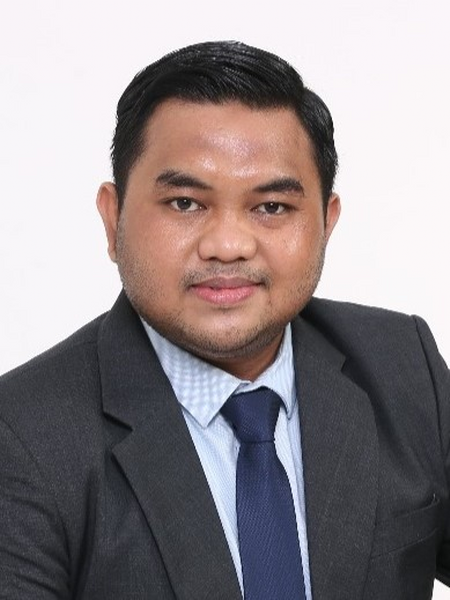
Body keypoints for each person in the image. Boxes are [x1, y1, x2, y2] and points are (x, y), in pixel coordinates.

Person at [0, 40, 448, 600]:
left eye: (272, 207)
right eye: (185, 203)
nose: (229, 244)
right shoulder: (21, 435)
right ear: (113, 219)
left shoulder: (403, 365)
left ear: (326, 223)